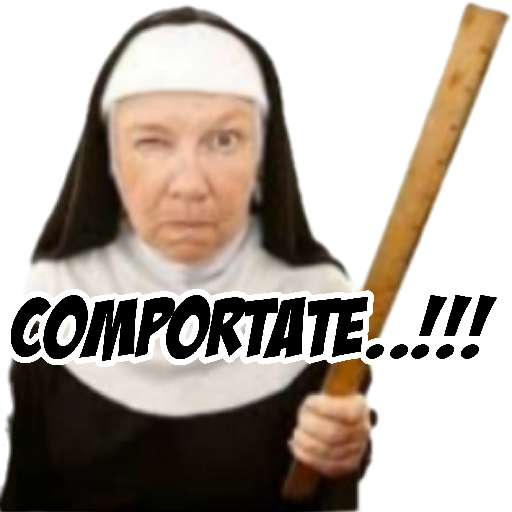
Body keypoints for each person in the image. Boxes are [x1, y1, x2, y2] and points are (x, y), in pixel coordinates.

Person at [0, 6, 374, 511]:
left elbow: (330, 487)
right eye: (153, 142)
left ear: (262, 156)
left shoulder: (319, 301)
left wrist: (345, 449)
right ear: (109, 157)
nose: (190, 185)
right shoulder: (54, 293)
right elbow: (23, 484)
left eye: (224, 141)